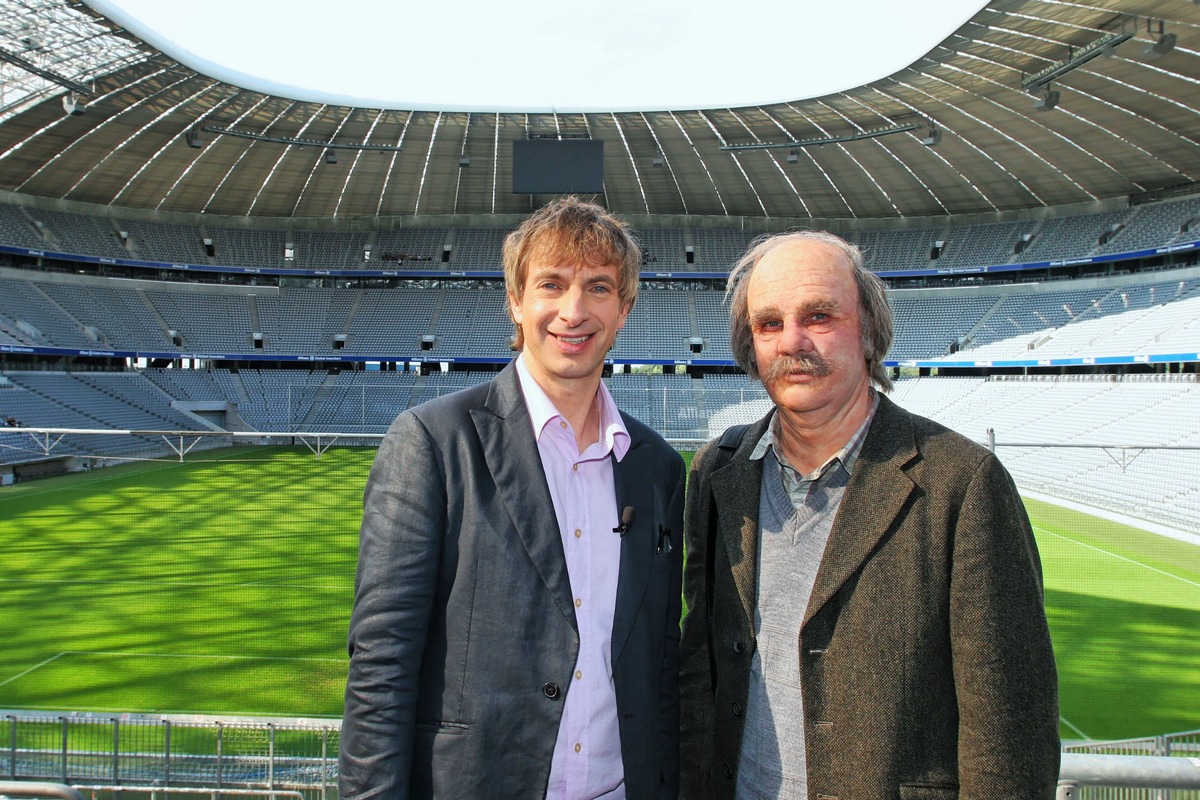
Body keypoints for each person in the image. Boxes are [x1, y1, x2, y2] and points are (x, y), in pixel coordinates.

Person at [678, 231, 1060, 800]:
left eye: (819, 316)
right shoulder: (719, 471)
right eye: (769, 324)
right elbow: (699, 667)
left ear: (869, 331)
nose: (793, 341)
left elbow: (1010, 734)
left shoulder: (962, 483)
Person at [340, 196, 686, 800]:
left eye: (598, 288)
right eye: (551, 284)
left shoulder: (657, 466)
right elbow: (381, 663)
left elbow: (661, 659)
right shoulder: (433, 441)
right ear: (516, 301)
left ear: (625, 309)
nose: (573, 311)